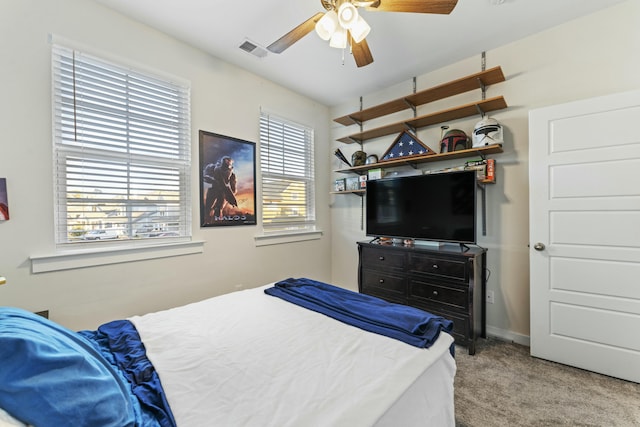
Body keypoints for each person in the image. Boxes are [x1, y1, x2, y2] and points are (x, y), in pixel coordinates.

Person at [203, 156, 238, 223]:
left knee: (218, 210)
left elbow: (234, 190)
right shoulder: (212, 168)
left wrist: (229, 197)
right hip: (213, 189)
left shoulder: (232, 175)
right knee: (207, 209)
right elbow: (204, 176)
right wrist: (213, 180)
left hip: (223, 192)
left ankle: (217, 223)